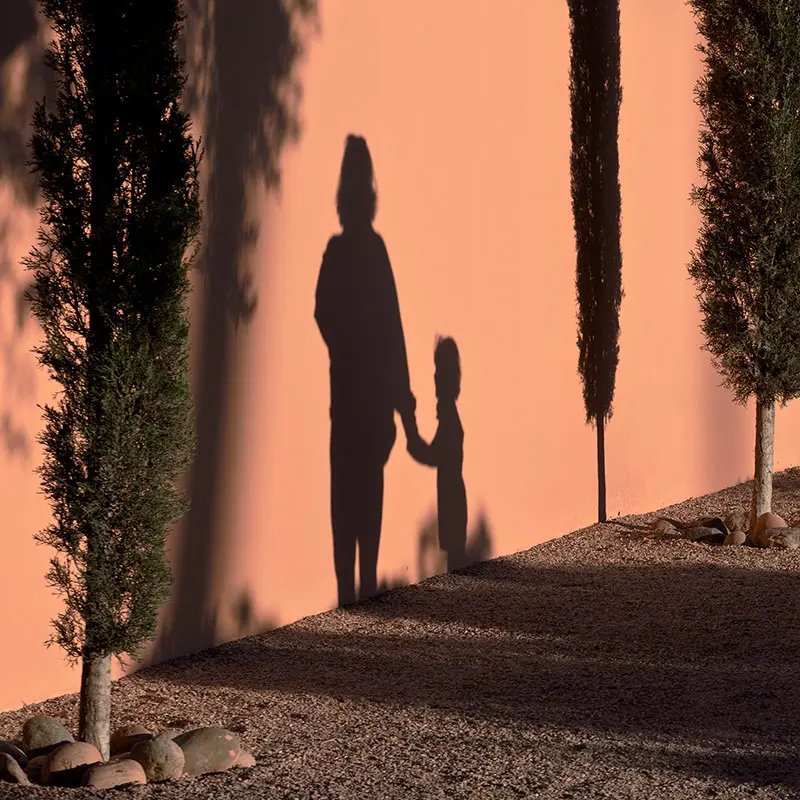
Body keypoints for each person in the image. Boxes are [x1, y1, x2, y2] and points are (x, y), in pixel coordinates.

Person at [315, 134, 415, 606]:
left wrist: (345, 349)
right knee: (365, 489)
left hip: (353, 390)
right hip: (368, 392)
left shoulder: (342, 252)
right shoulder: (371, 251)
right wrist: (404, 404)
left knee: (347, 490)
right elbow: (392, 328)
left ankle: (349, 587)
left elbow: (324, 313)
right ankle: (363, 582)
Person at [405, 337, 467, 572]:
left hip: (452, 503)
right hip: (451, 501)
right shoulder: (449, 418)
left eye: (438, 373)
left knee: (456, 568)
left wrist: (411, 436)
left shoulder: (450, 419)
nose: (434, 378)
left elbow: (433, 456)